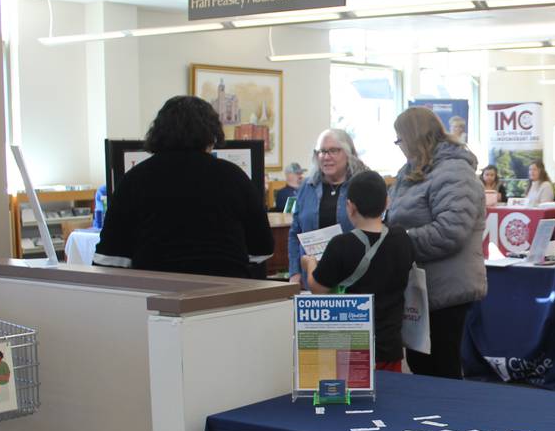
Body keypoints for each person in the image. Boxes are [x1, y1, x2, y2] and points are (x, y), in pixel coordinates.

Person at [95, 96, 273, 278]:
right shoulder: (235, 177)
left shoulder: (134, 179)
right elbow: (262, 249)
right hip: (226, 291)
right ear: (211, 134)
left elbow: (109, 257)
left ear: (158, 132)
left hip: (156, 293)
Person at [388, 106, 486, 379]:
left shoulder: (454, 172)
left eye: (400, 140)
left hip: (447, 289)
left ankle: (449, 420)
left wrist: (400, 242)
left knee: (442, 368)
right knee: (421, 365)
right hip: (422, 288)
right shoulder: (411, 170)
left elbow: (451, 231)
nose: (399, 147)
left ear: (413, 137)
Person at [301, 171, 415, 373]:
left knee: (350, 398)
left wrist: (310, 264)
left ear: (350, 207)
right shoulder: (401, 238)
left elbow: (318, 288)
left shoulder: (340, 245)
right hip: (389, 345)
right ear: (387, 202)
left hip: (351, 345)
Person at [288, 129, 367, 286]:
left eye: (333, 151)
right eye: (321, 152)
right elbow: (295, 233)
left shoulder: (363, 184)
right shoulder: (307, 187)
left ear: (348, 153)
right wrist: (295, 272)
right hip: (314, 277)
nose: (326, 157)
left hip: (354, 278)